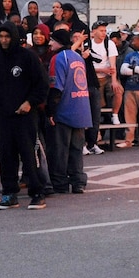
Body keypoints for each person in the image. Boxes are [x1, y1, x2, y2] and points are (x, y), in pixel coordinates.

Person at [0, 23, 48, 210]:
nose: (4, 40)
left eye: (7, 36)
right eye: (1, 36)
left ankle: (37, 192)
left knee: (29, 154)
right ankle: (10, 193)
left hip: (26, 115)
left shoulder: (27, 57)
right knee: (6, 155)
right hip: (4, 115)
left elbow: (41, 84)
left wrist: (30, 102)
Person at [47, 27, 94, 193]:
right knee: (76, 150)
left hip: (65, 110)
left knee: (60, 149)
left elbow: (56, 87)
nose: (50, 43)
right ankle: (78, 181)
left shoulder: (58, 58)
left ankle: (59, 183)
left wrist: (50, 111)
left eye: (52, 40)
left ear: (58, 42)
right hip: (81, 109)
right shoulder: (78, 57)